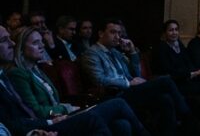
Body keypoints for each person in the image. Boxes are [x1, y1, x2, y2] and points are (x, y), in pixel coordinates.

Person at [0, 25, 145, 136]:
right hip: (49, 120)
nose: (42, 46)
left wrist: (64, 109)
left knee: (122, 124)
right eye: (36, 43)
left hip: (59, 115)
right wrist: (63, 109)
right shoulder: (17, 74)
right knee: (117, 104)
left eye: (41, 42)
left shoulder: (38, 70)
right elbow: (35, 110)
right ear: (21, 48)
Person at [81, 18, 191, 135]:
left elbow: (136, 74)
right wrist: (128, 83)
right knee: (165, 80)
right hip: (115, 95)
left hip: (130, 91)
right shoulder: (91, 53)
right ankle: (188, 118)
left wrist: (132, 52)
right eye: (113, 32)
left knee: (165, 99)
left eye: (119, 33)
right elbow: (99, 80)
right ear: (101, 33)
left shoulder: (116, 52)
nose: (117, 37)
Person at [151, 20, 200, 126]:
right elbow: (168, 70)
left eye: (176, 30)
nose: (174, 32)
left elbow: (188, 63)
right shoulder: (161, 48)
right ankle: (197, 123)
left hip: (185, 79)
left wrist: (196, 72)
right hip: (174, 83)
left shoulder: (179, 44)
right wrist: (191, 74)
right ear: (165, 33)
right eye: (171, 30)